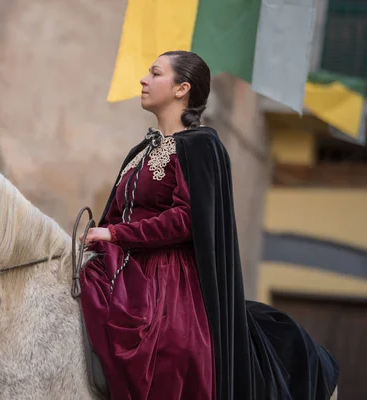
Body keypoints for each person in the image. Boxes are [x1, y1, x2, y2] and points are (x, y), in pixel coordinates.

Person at [78, 51, 339, 400]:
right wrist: (98, 238)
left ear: (181, 89)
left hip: (169, 279)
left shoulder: (202, 145)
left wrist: (116, 234)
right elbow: (117, 212)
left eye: (155, 74)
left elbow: (188, 218)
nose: (144, 79)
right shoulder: (141, 150)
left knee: (171, 350)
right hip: (124, 267)